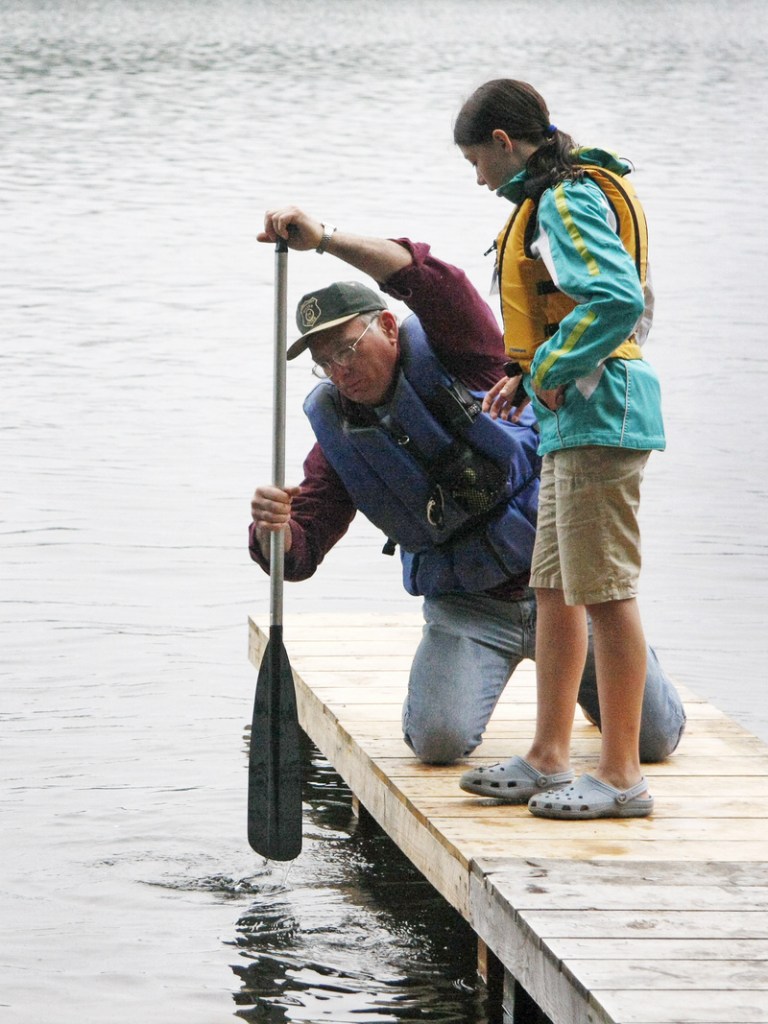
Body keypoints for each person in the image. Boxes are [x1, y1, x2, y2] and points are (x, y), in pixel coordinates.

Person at [249, 205, 686, 774]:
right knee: (436, 742)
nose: (339, 370)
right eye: (323, 362)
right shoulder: (340, 438)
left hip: (564, 596)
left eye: (346, 348)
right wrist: (271, 530)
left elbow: (432, 280)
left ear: (384, 325)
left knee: (656, 741)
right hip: (468, 609)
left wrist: (326, 239)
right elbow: (299, 556)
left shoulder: (465, 355)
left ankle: (613, 684)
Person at [453, 79, 669, 819]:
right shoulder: (556, 193)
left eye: (477, 160)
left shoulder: (564, 198)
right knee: (554, 585)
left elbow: (614, 298)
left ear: (506, 145)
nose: (479, 178)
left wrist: (545, 369)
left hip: (601, 415)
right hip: (572, 419)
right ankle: (550, 755)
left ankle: (619, 776)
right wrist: (524, 373)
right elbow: (572, 308)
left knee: (605, 590)